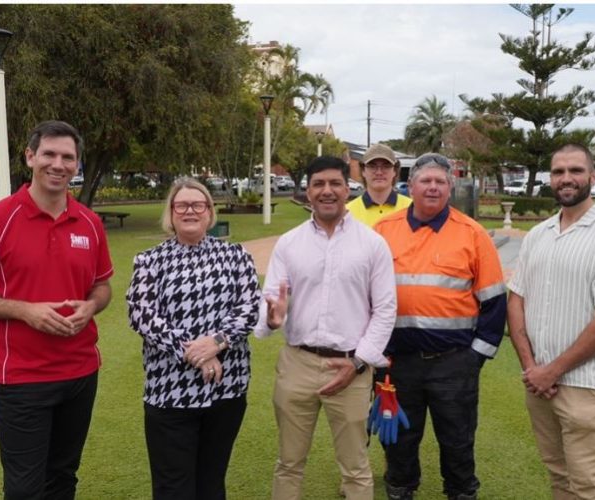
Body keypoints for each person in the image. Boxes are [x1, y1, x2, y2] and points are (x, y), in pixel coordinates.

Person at [0, 120, 113, 499]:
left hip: (81, 372)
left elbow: (103, 287)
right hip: (21, 378)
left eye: (68, 157)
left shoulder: (90, 222)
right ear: (30, 157)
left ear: (77, 164)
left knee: (63, 478)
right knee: (24, 489)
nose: (58, 164)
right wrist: (25, 311)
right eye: (49, 154)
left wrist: (91, 305)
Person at [255, 155, 397, 500]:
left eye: (335, 183)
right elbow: (272, 299)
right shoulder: (289, 243)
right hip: (297, 364)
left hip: (351, 367)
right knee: (288, 463)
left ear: (348, 189)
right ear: (307, 191)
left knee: (355, 467)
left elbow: (385, 309)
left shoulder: (372, 244)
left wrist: (359, 362)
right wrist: (272, 318)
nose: (327, 191)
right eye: (318, 184)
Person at [507, 144, 595, 500]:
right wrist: (533, 367)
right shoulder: (538, 235)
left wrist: (553, 371)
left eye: (576, 171)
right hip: (539, 384)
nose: (567, 178)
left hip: (586, 385)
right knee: (559, 478)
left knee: (589, 487)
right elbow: (516, 298)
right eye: (559, 171)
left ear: (594, 177)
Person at [373, 153, 507, 500]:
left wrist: (474, 357)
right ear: (410, 186)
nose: (433, 187)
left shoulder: (472, 234)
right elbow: (363, 295)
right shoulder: (383, 231)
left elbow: (494, 302)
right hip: (396, 364)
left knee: (458, 439)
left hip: (454, 362)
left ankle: (461, 492)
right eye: (425, 180)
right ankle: (400, 490)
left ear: (450, 188)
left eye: (440, 182)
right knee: (399, 440)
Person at [126, 177, 260, 500]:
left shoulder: (236, 256)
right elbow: (142, 316)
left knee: (211, 483)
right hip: (169, 391)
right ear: (171, 213)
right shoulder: (149, 261)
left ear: (209, 212)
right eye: (181, 205)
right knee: (173, 487)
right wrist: (196, 350)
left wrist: (217, 342)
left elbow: (250, 308)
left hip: (226, 390)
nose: (190, 211)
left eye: (198, 205)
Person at [347, 143, 411, 226]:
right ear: (363, 171)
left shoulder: (412, 209)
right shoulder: (347, 213)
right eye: (372, 166)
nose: (379, 172)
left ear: (395, 171)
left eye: (386, 166)